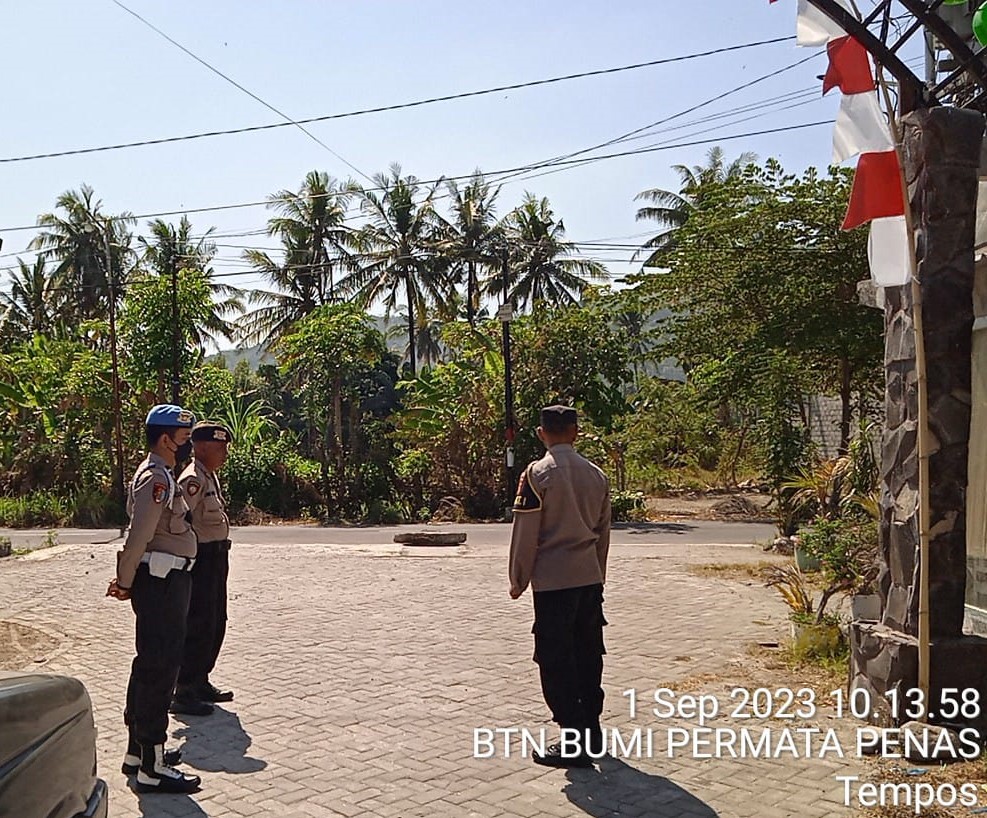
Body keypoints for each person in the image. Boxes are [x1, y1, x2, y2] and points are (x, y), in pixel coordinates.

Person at [508, 404, 611, 769]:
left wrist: (518, 578)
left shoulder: (537, 475)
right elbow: (603, 534)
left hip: (553, 582)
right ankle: (592, 731)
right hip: (588, 579)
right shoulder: (597, 475)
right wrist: (598, 572)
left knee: (555, 660)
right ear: (576, 432)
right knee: (588, 654)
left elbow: (526, 531)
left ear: (541, 433)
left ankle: (572, 738)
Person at [106, 404, 202, 794]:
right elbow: (138, 535)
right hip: (160, 582)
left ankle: (138, 752)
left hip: (165, 581)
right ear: (166, 439)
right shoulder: (156, 478)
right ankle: (152, 766)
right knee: (159, 669)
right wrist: (124, 580)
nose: (187, 447)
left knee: (152, 664)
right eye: (183, 440)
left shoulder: (162, 474)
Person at [172, 421, 234, 715]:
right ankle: (183, 689)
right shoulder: (192, 479)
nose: (224, 454)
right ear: (202, 448)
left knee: (215, 619)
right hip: (200, 559)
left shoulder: (209, 476)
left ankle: (200, 680)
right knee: (198, 621)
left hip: (216, 557)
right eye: (220, 448)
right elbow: (178, 520)